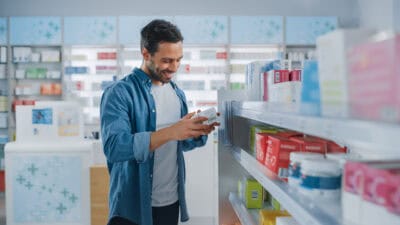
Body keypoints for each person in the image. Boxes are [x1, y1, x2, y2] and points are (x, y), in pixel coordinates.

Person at [100, 19, 219, 225]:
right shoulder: (119, 93)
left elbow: (177, 144)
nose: (174, 68)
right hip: (132, 207)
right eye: (166, 60)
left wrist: (195, 132)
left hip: (170, 203)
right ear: (146, 54)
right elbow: (115, 147)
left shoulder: (177, 93)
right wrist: (173, 131)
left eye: (178, 60)